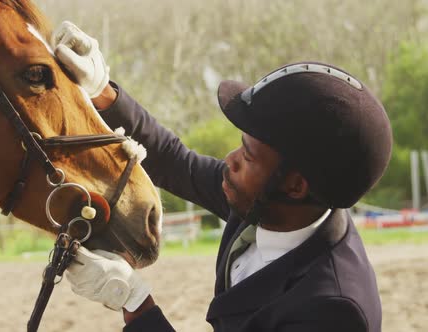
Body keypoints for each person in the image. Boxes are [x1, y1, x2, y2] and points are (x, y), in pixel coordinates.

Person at [52, 22, 392, 332]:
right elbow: (176, 162)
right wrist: (101, 92)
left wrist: (136, 304)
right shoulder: (269, 204)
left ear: (295, 185)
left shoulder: (331, 311)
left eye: (247, 155)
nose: (230, 161)